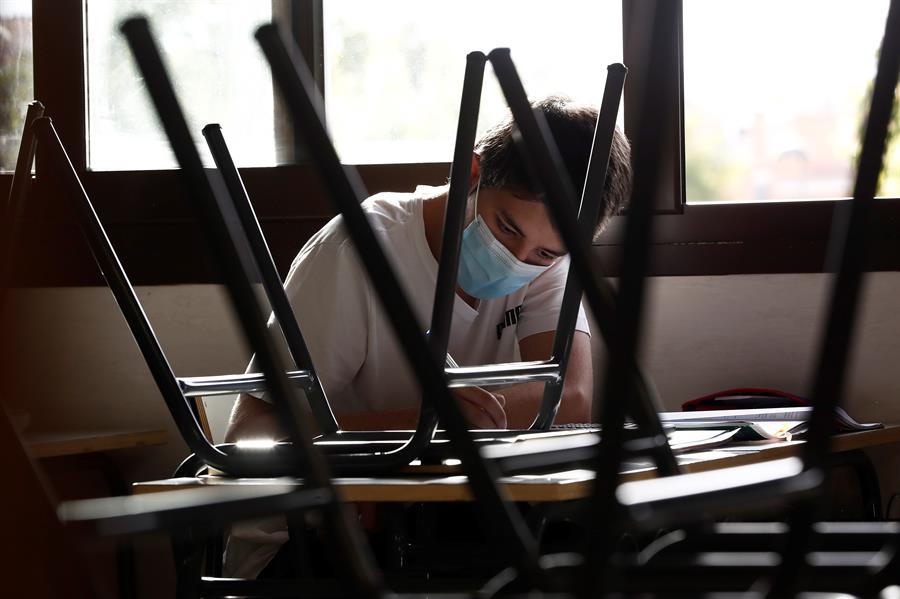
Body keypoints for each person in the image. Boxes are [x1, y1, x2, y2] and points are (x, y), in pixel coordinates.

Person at [221, 95, 632, 579]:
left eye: (543, 254)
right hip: (309, 540)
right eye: (504, 227)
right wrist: (420, 428)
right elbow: (248, 436)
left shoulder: (548, 261)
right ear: (471, 174)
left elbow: (569, 401)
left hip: (441, 518)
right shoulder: (361, 249)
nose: (517, 259)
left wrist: (466, 424)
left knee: (610, 544)